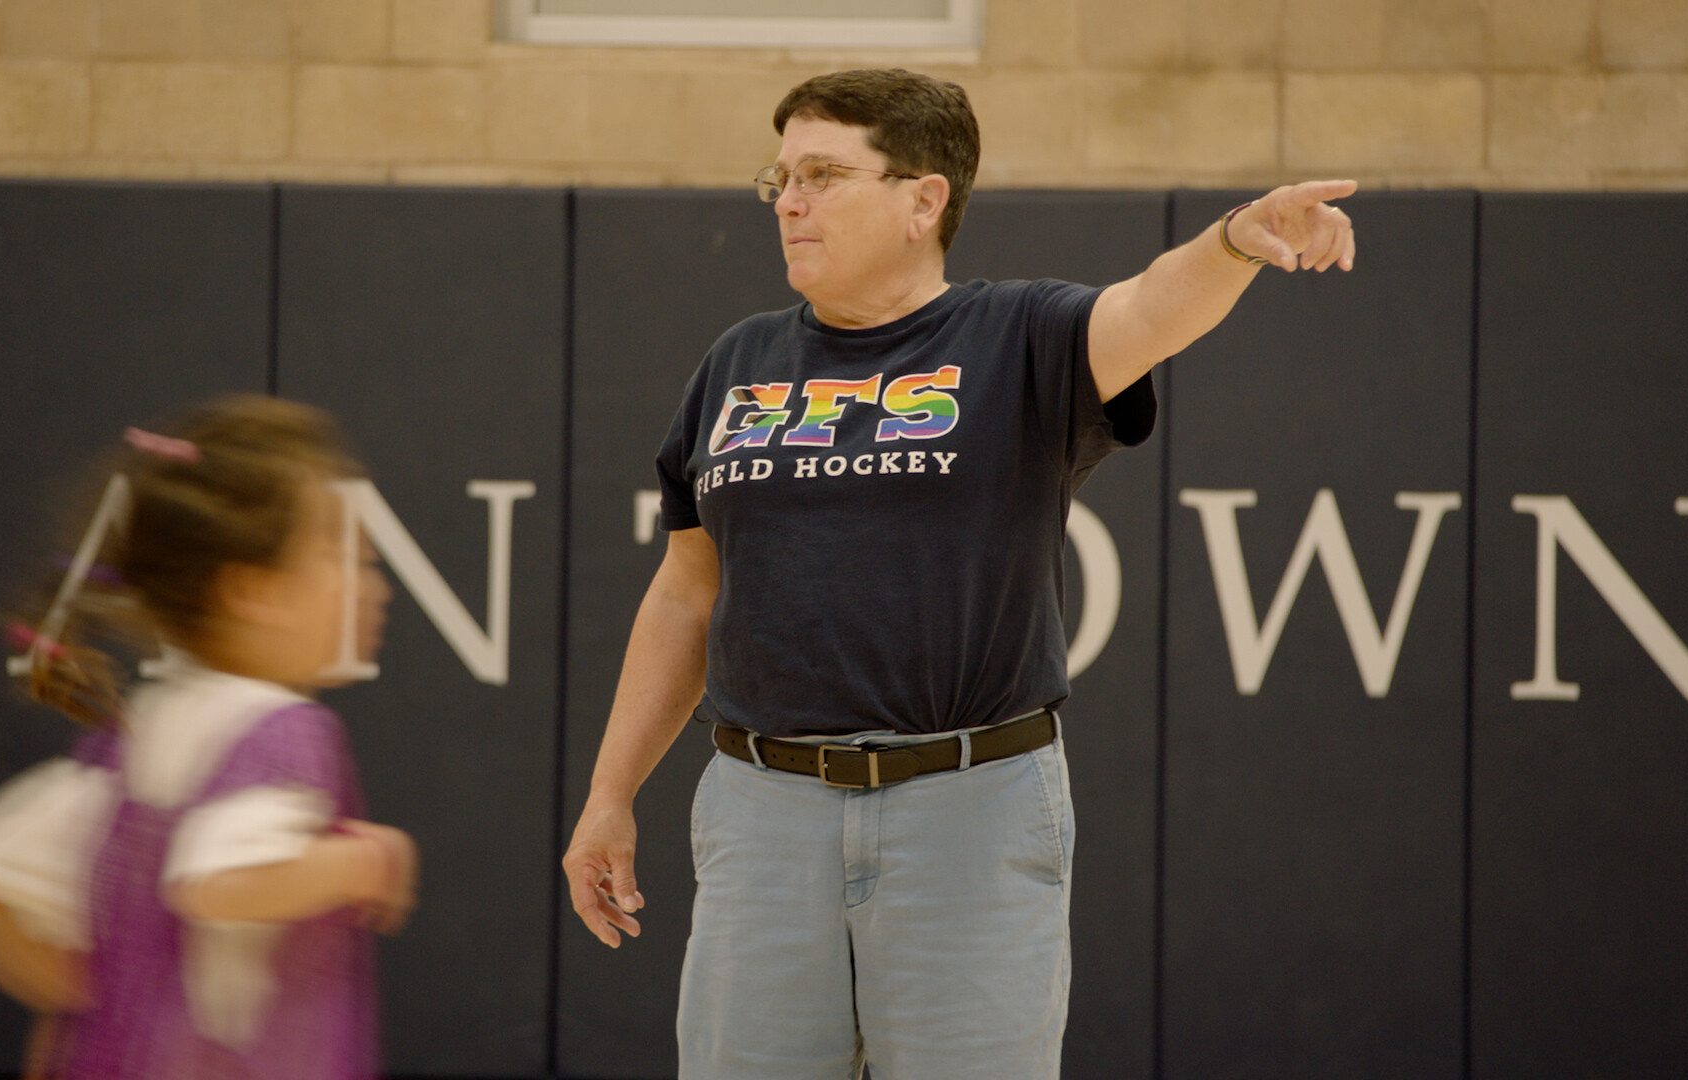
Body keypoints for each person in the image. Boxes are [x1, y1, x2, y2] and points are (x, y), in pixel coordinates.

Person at [561, 68, 1356, 1078]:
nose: (789, 202)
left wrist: (1238, 237)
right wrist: (611, 791)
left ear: (923, 200)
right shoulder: (736, 363)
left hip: (970, 809)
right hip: (762, 814)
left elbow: (1155, 306)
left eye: (821, 175)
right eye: (780, 179)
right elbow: (687, 589)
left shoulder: (1020, 337)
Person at [0, 395, 416, 1080]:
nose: (373, 586)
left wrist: (94, 1007)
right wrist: (364, 863)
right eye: (345, 556)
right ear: (255, 592)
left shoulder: (138, 732)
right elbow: (215, 883)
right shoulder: (285, 734)